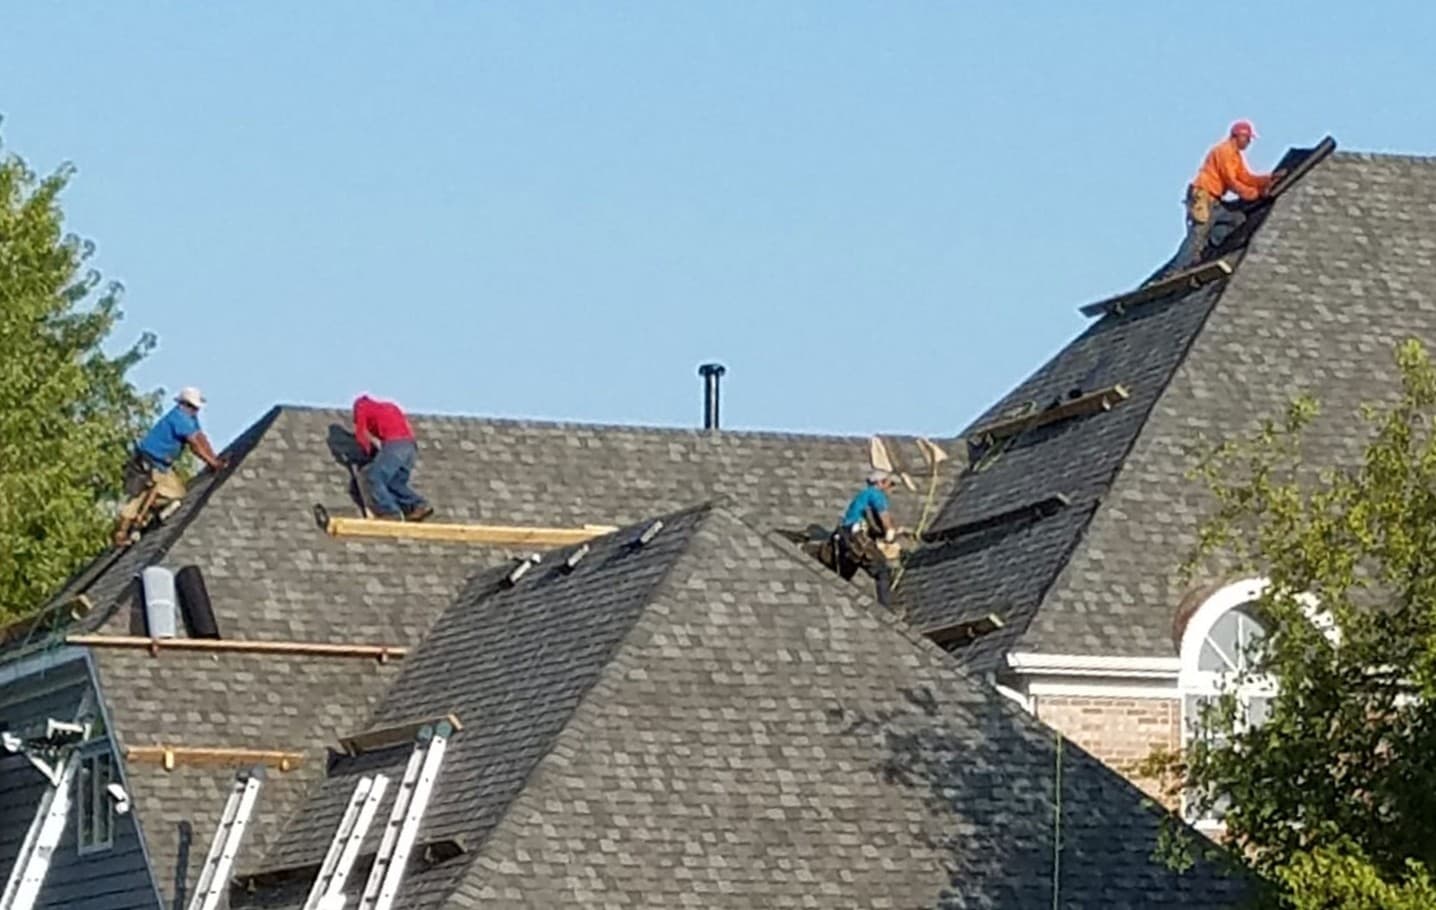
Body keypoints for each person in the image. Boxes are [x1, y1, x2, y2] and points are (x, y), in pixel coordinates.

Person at [113, 387, 227, 546]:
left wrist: (215, 458)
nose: (196, 411)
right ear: (184, 404)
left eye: (196, 408)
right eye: (193, 407)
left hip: (161, 465)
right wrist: (213, 463)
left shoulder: (190, 418)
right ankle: (124, 533)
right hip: (148, 462)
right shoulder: (179, 419)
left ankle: (147, 513)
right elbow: (195, 446)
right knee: (141, 499)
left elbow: (200, 438)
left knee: (174, 493)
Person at [1173, 120, 1278, 269]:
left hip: (1215, 201)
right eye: (1247, 138)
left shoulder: (1235, 155)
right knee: (1197, 235)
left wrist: (1268, 179)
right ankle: (1176, 269)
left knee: (1237, 219)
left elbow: (1245, 177)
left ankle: (1207, 245)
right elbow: (1232, 182)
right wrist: (1254, 194)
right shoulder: (1223, 152)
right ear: (1238, 136)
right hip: (1204, 196)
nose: (1248, 142)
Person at [352, 394, 433, 522]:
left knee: (374, 477)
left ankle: (389, 512)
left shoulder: (361, 407)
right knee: (394, 483)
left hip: (395, 445)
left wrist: (366, 454)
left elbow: (361, 435)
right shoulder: (389, 407)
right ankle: (418, 505)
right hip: (410, 447)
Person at [831, 470, 898, 607]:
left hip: (844, 537)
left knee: (842, 576)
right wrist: (890, 538)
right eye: (889, 484)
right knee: (883, 571)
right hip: (857, 537)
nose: (890, 488)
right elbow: (885, 522)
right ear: (880, 483)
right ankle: (886, 611)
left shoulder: (863, 496)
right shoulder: (876, 494)